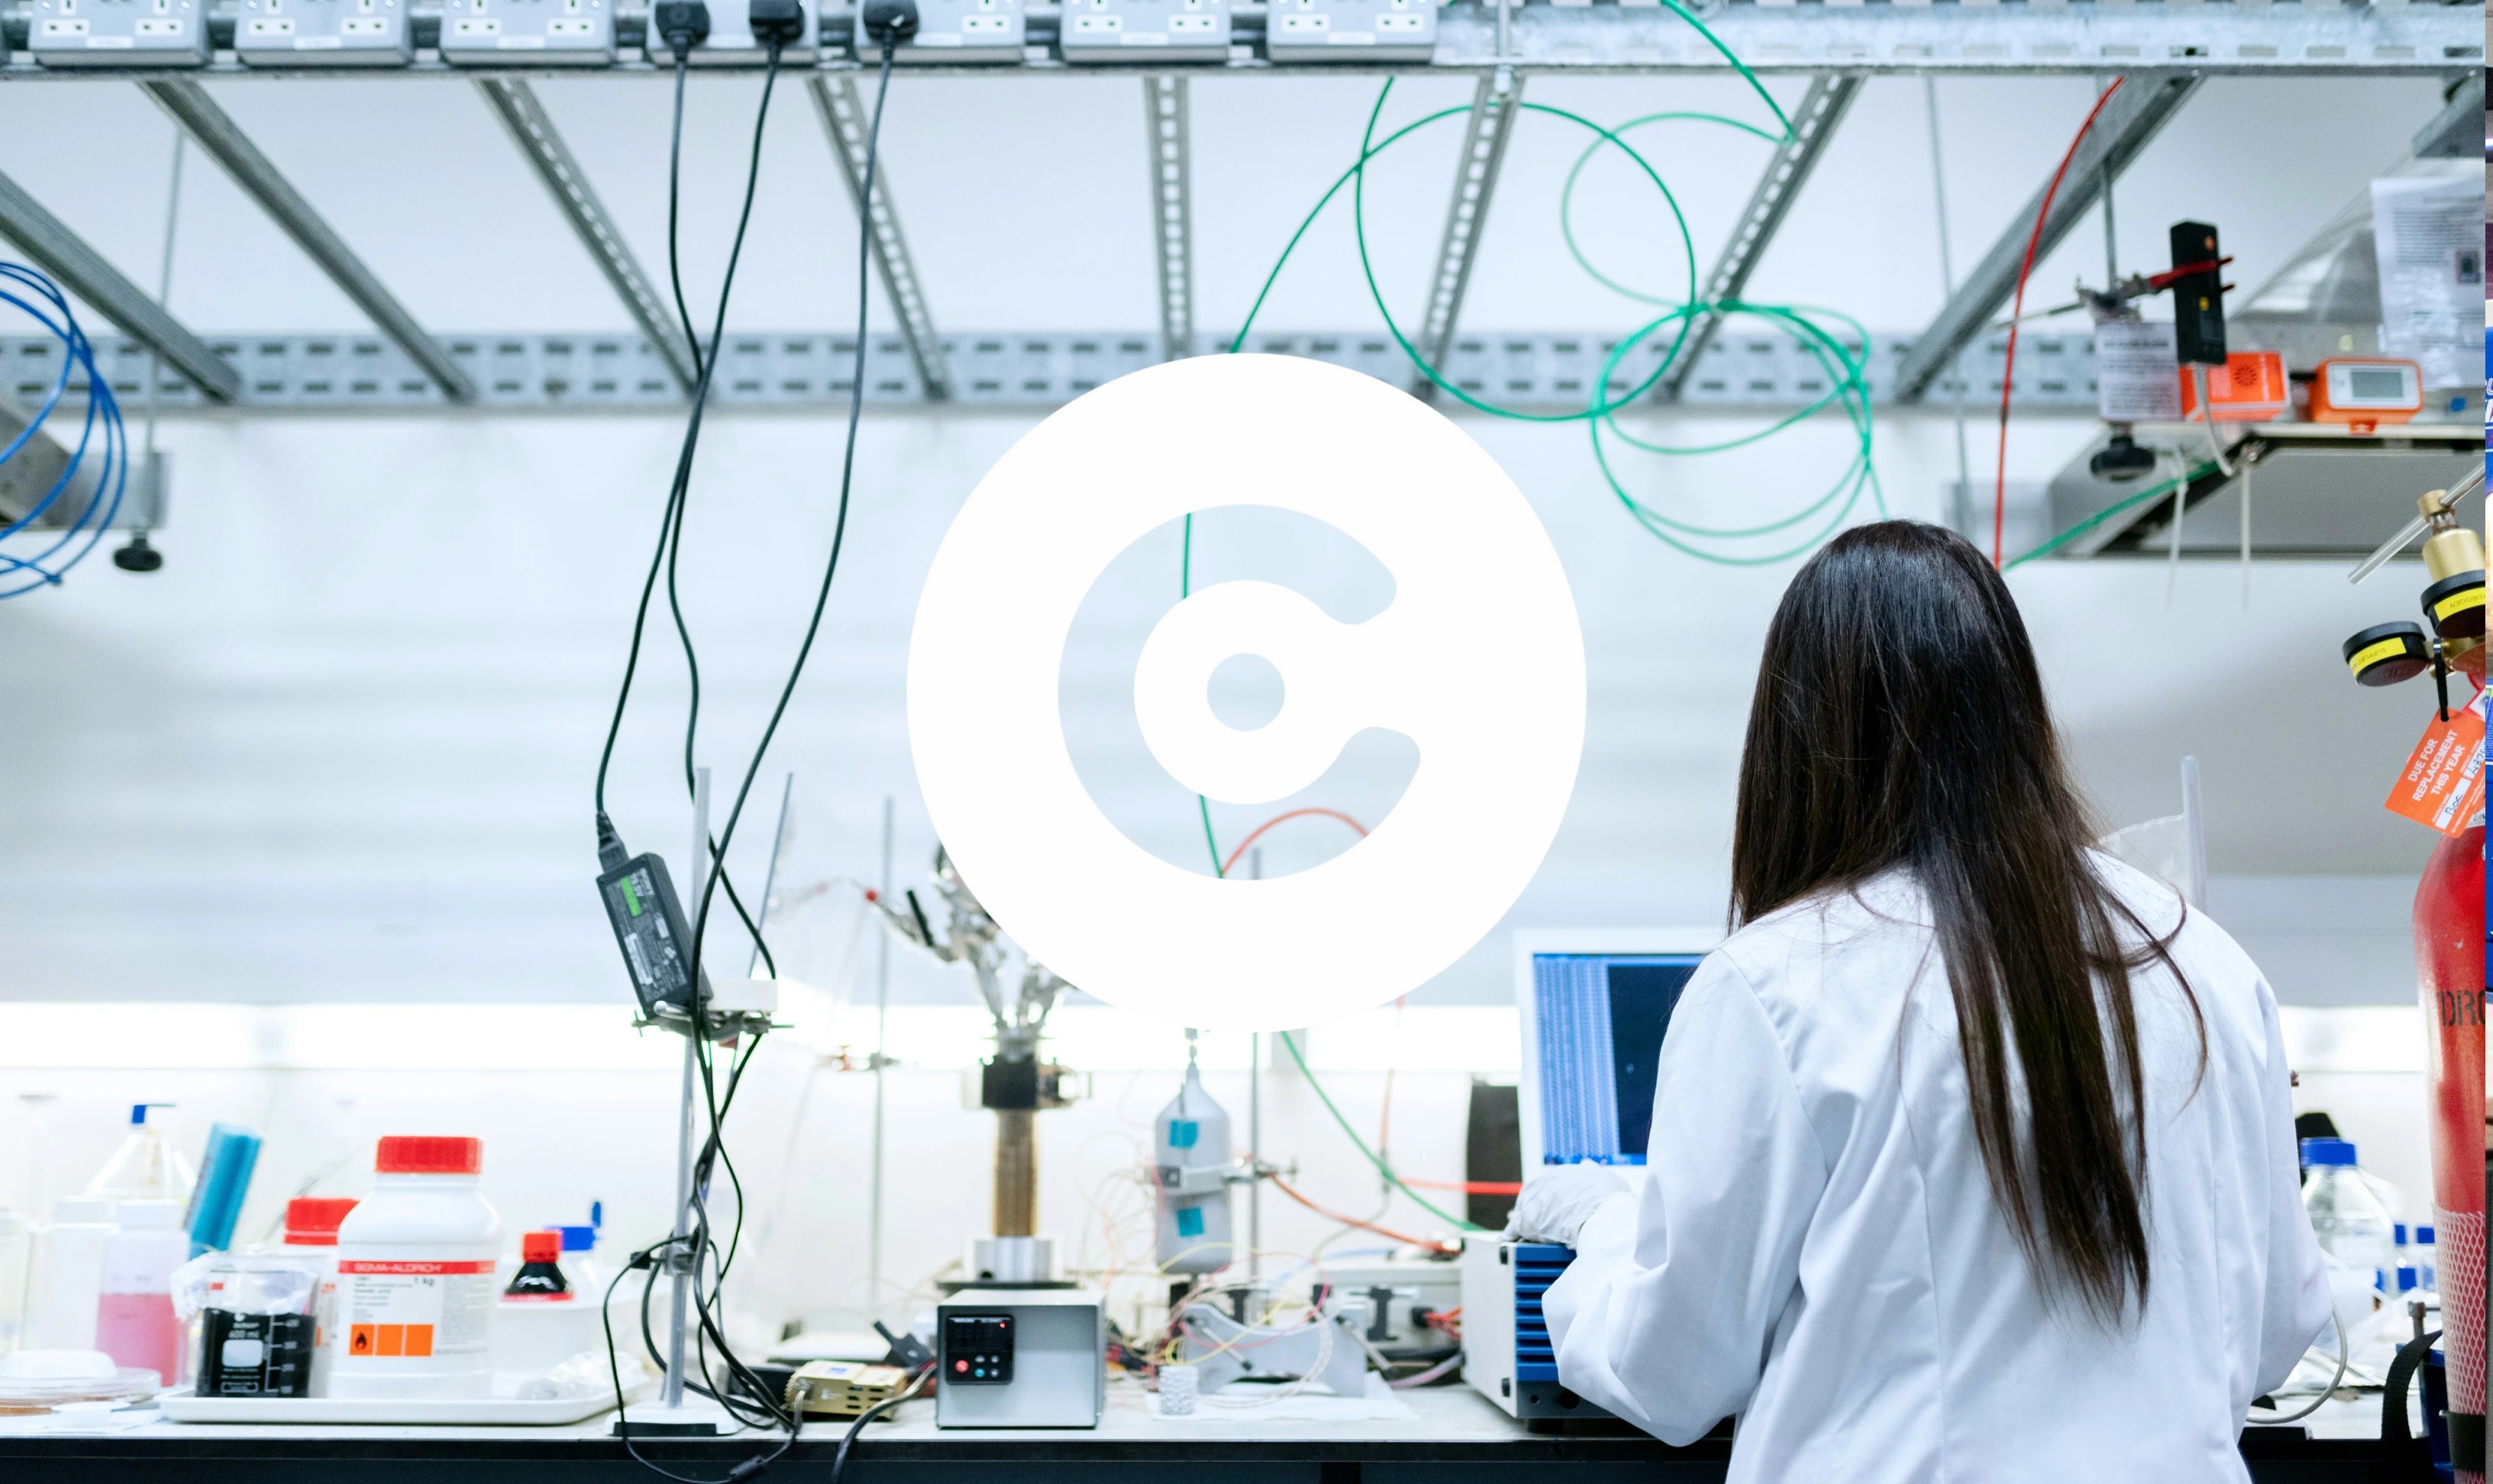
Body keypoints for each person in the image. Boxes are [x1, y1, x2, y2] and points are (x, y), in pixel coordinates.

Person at [1516, 521, 2330, 1482]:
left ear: (1798, 736)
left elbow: (1672, 1372)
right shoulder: (2198, 958)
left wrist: (1601, 1225)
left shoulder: (1778, 980)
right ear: (2016, 707)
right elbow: (2277, 1331)